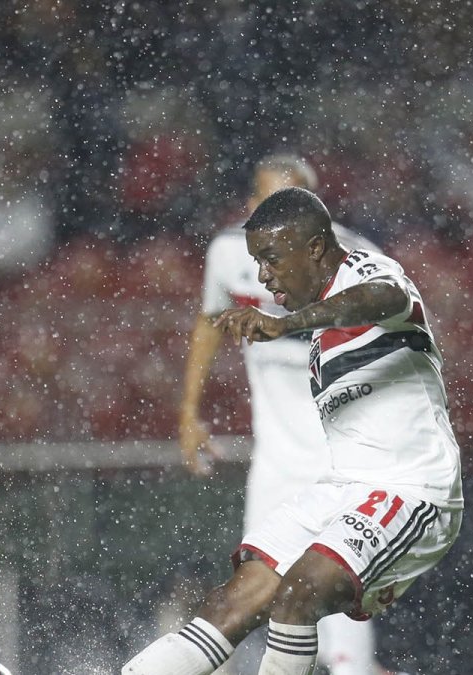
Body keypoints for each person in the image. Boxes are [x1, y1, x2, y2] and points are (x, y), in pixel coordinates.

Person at [124, 187, 463, 675]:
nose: (263, 275)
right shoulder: (322, 335)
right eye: (257, 261)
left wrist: (287, 325)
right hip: (344, 490)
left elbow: (383, 296)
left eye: (272, 259)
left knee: (299, 592)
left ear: (315, 248)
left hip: (411, 489)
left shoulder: (368, 271)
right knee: (233, 599)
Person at [179, 154, 393, 674]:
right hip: (275, 466)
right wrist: (189, 412)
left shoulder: (359, 262)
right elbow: (211, 321)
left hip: (344, 465)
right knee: (261, 596)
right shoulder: (231, 253)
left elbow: (403, 353)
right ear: (251, 207)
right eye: (269, 205)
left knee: (338, 615)